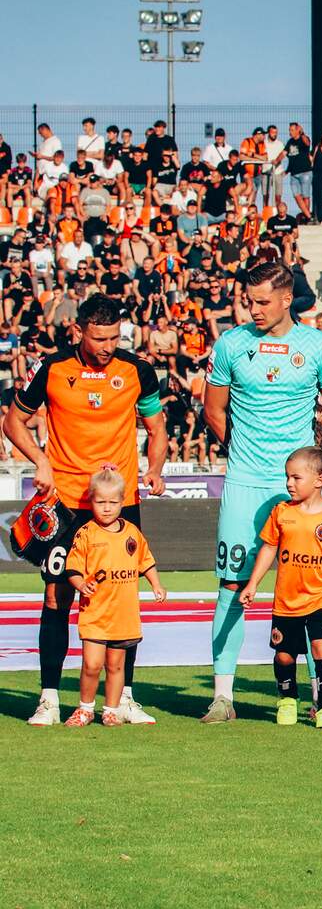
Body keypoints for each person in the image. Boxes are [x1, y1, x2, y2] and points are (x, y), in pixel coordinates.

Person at [7, 295, 168, 727]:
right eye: (99, 338)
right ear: (79, 331)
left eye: (114, 337)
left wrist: (154, 468)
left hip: (120, 503)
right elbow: (13, 421)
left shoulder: (137, 370)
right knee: (56, 596)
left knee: (122, 601)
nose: (107, 347)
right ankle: (49, 699)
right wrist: (40, 461)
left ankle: (124, 698)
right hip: (65, 504)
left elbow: (157, 428)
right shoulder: (52, 368)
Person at [201, 262, 322, 724]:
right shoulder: (231, 344)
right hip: (245, 482)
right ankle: (222, 696)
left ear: (287, 299)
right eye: (250, 301)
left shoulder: (318, 346)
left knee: (309, 587)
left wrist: (309, 458)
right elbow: (213, 410)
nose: (254, 309)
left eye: (263, 301)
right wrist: (242, 453)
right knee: (231, 585)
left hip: (299, 489)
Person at [238, 447, 322, 729]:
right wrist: (253, 584)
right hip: (287, 600)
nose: (289, 483)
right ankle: (287, 699)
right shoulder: (282, 512)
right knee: (284, 655)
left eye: (296, 477)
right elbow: (269, 548)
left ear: (319, 480)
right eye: (287, 477)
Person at [61, 468, 165, 727]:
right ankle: (85, 709)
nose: (107, 508)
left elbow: (145, 561)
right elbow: (72, 568)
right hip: (96, 613)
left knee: (116, 666)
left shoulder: (132, 532)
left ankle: (111, 709)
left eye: (112, 502)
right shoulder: (86, 533)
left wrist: (156, 584)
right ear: (91, 501)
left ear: (122, 501)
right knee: (92, 664)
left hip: (124, 615)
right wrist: (81, 584)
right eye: (100, 502)